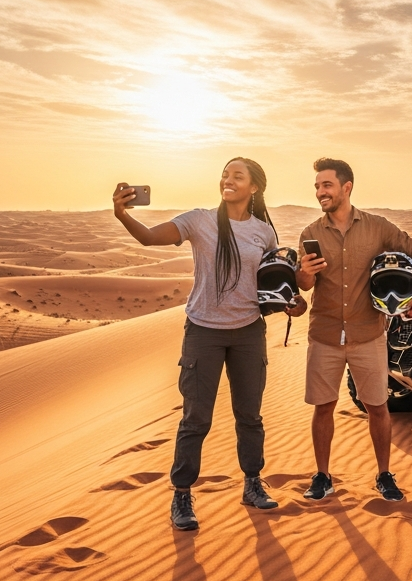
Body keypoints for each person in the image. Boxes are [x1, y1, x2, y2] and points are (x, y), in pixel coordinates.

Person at [112, 157, 306, 531]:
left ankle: (252, 483)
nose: (227, 180)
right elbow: (149, 237)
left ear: (254, 187)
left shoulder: (264, 233)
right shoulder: (198, 221)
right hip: (204, 332)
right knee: (196, 418)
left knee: (250, 415)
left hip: (248, 333)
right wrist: (122, 215)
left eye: (237, 176)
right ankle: (182, 494)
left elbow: (268, 287)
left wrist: (291, 303)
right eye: (225, 174)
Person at [296, 157, 412, 501]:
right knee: (323, 407)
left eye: (327, 185)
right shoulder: (311, 234)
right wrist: (306, 273)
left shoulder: (377, 227)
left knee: (377, 407)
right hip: (325, 335)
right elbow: (304, 285)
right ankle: (323, 476)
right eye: (317, 186)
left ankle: (384, 475)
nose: (320, 192)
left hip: (368, 334)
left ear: (346, 187)